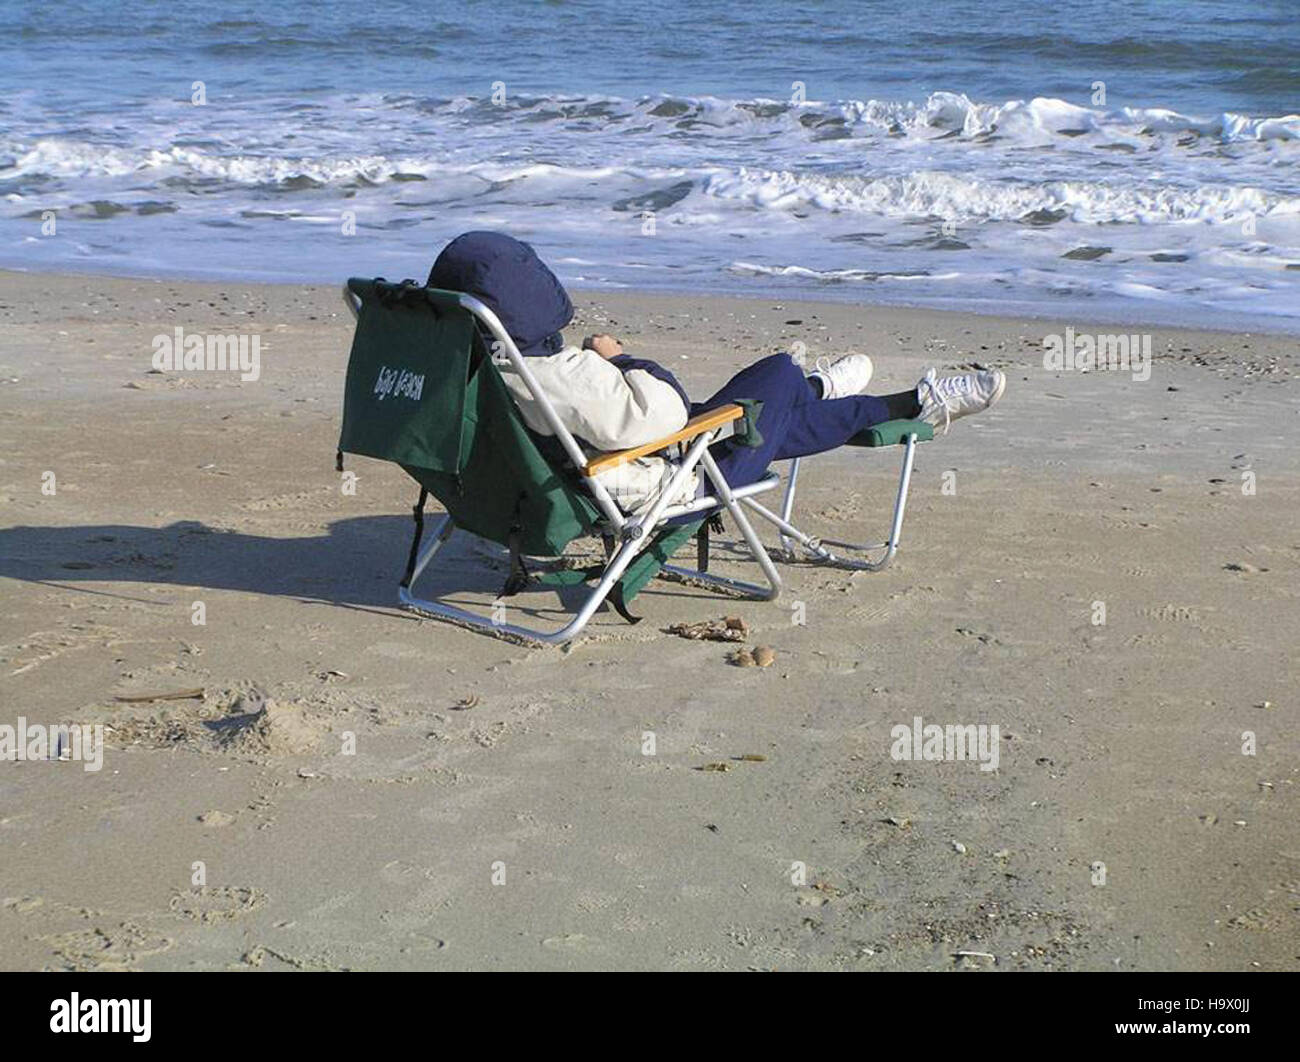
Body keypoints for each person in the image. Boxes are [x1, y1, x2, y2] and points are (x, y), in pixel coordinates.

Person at [428, 231, 1005, 511]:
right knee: (777, 377)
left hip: (557, 478)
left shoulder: (458, 366)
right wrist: (620, 357)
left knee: (776, 397)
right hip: (661, 481)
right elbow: (665, 416)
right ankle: (906, 403)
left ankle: (835, 392)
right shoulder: (556, 375)